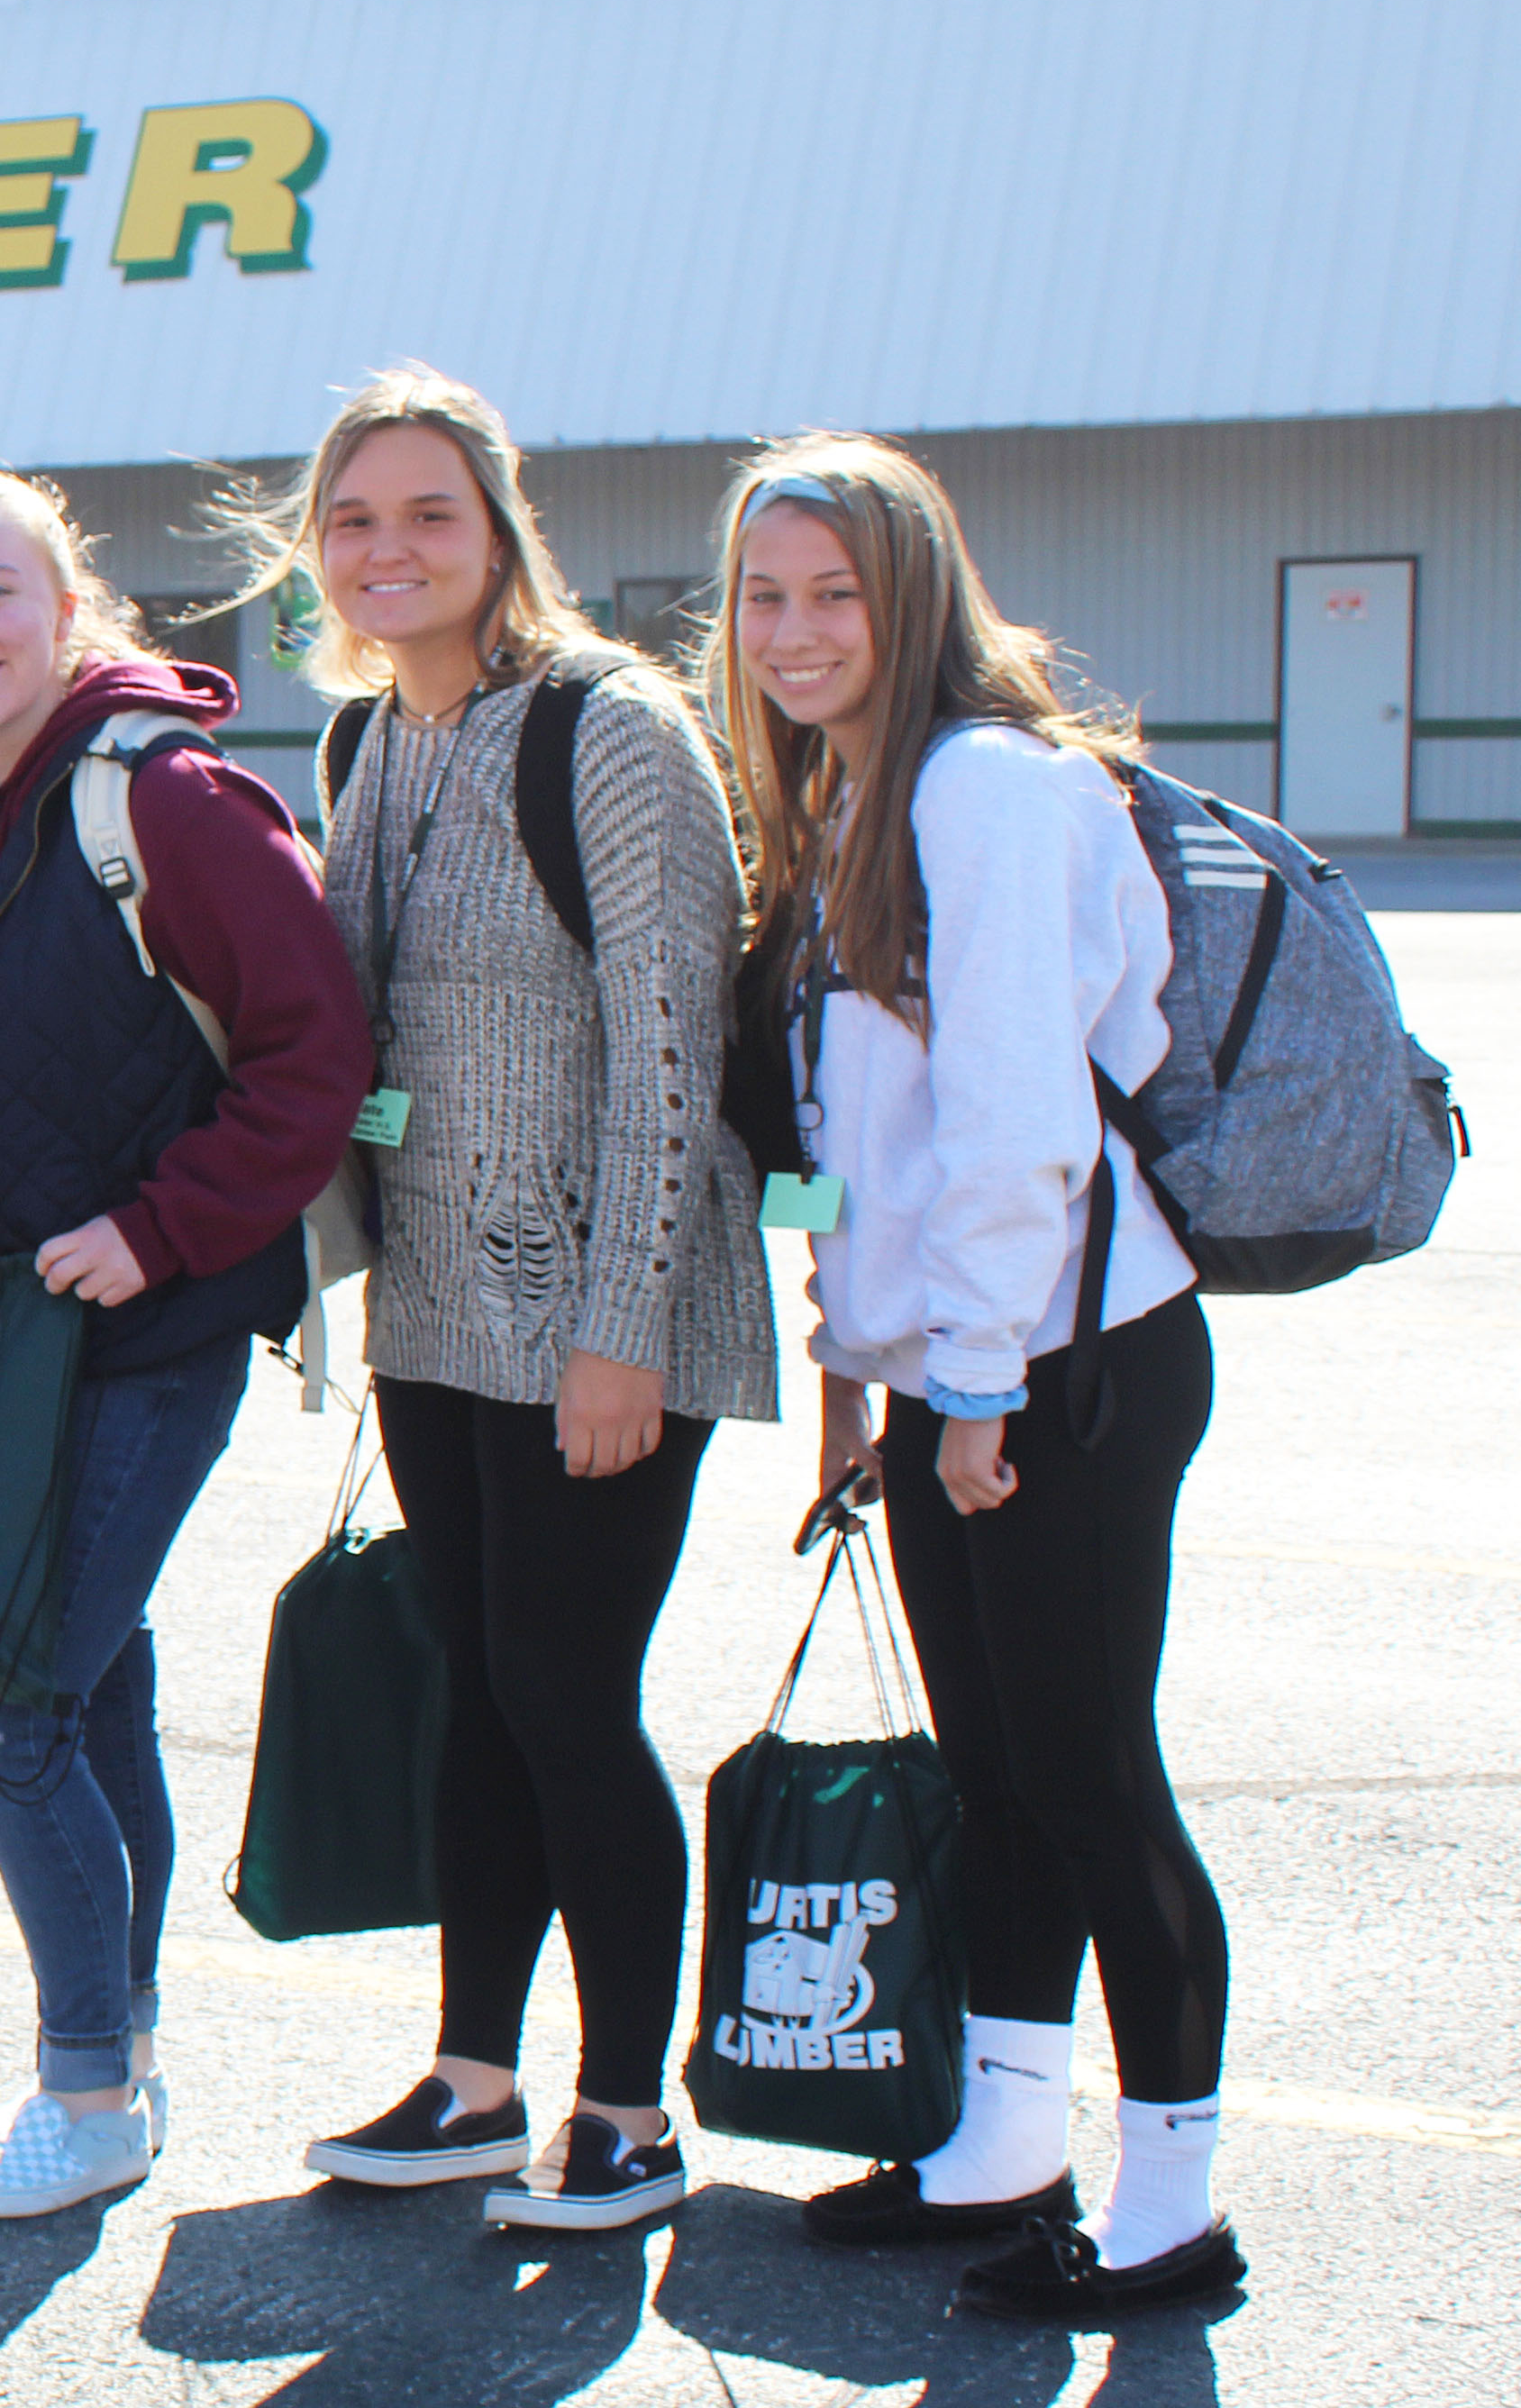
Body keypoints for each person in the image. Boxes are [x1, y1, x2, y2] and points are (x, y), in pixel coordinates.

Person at [710, 436, 1236, 2316]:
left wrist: (988, 1389)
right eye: (762, 596)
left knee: (1093, 1778)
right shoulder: (853, 790)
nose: (790, 631)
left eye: (832, 592)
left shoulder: (989, 789)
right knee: (1001, 1777)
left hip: (1067, 1360)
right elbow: (868, 1132)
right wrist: (868, 1375)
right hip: (956, 1361)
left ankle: (1172, 2206)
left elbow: (1021, 1125)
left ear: (915, 594)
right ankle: (1001, 2150)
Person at [241, 367, 771, 2230]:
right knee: (479, 1690)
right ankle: (474, 2078)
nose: (387, 551)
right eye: (353, 522)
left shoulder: (604, 729)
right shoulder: (379, 740)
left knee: (568, 1691)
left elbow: (669, 1047)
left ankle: (625, 2111)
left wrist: (621, 1325)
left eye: (426, 516)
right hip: (442, 1307)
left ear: (497, 531)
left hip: (604, 1312)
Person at [0, 468, 372, 2218]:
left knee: (1, 1727)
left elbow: (313, 1056)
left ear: (66, 598)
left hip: (148, 1343)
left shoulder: (168, 798)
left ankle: (81, 2096)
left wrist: (157, 1231)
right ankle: (120, 2069)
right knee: (89, 1701)